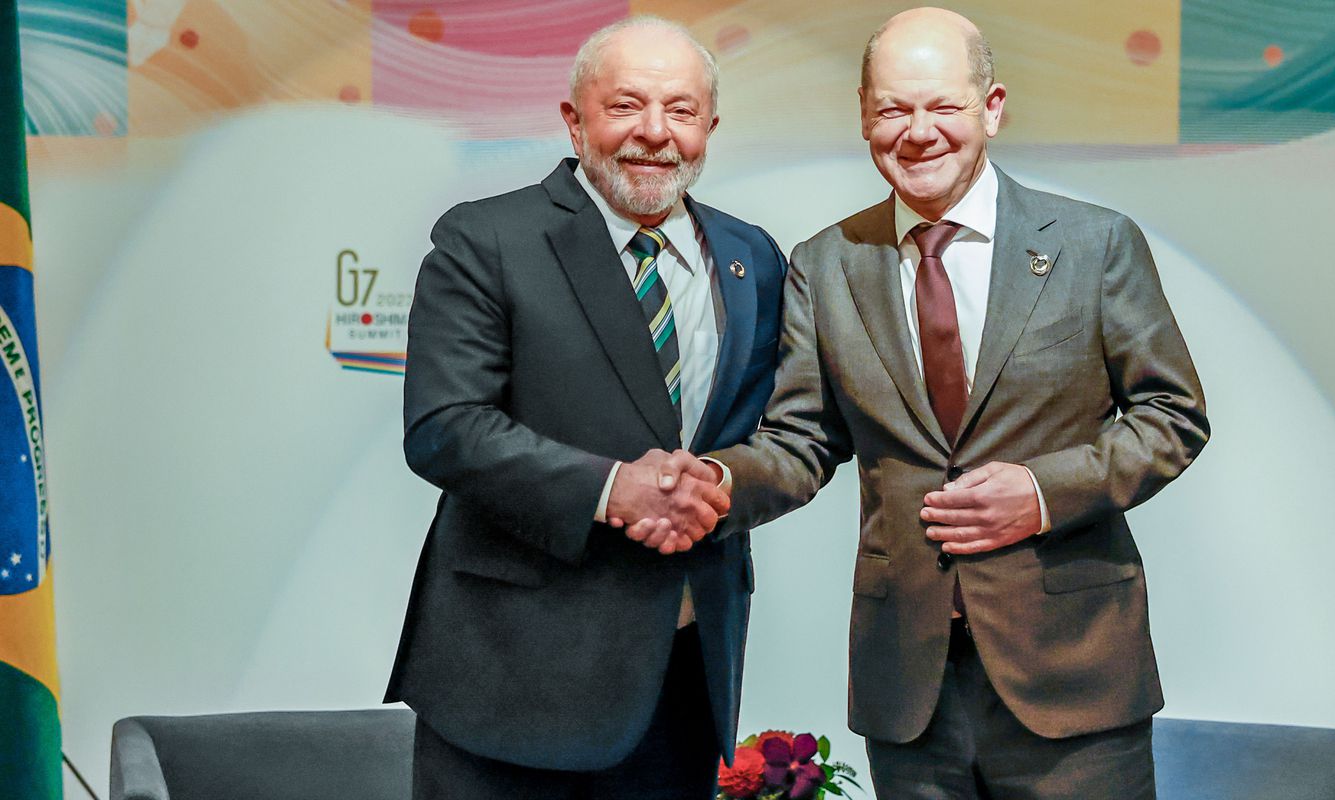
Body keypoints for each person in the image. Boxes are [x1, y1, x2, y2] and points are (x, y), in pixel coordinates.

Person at [635, 7, 1209, 797]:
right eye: (893, 109)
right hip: (908, 687)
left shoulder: (1095, 243)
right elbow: (802, 440)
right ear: (864, 116)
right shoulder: (826, 264)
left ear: (992, 108)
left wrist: (1042, 492)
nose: (918, 132)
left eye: (943, 106)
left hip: (1073, 674)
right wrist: (717, 482)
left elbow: (1172, 414)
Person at [385, 16, 786, 799]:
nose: (654, 132)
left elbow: (788, 428)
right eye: (626, 105)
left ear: (709, 128)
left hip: (682, 678)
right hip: (509, 681)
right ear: (574, 120)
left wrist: (720, 482)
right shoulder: (486, 239)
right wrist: (612, 489)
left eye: (680, 109)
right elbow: (445, 427)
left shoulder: (752, 257)